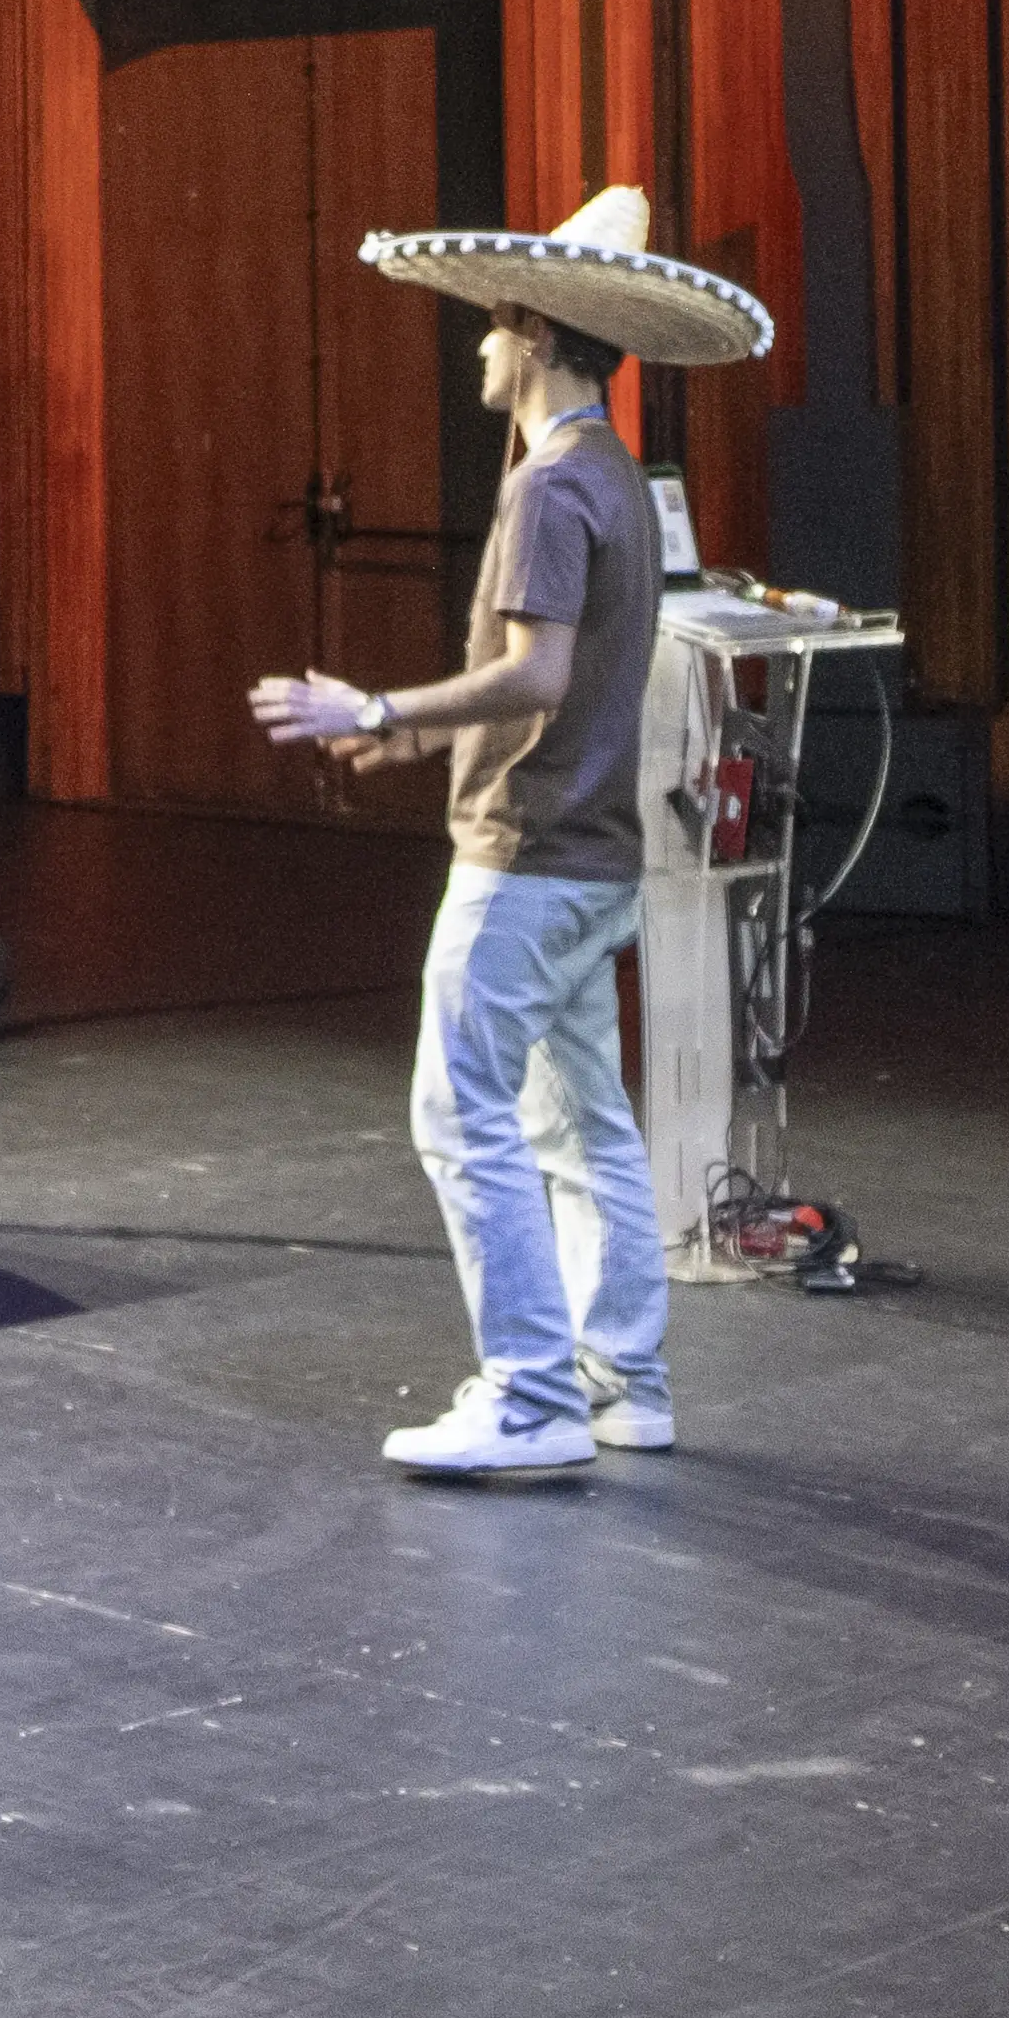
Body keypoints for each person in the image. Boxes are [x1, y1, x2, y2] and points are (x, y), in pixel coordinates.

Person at [249, 185, 756, 1482]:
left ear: (533, 332)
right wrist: (414, 732)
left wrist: (378, 703)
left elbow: (535, 677)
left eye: (489, 328)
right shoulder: (621, 486)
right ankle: (622, 1385)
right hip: (594, 862)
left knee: (459, 1106)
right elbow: (556, 681)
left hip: (527, 860)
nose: (475, 346)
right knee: (584, 1127)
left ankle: (531, 1395)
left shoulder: (548, 490)